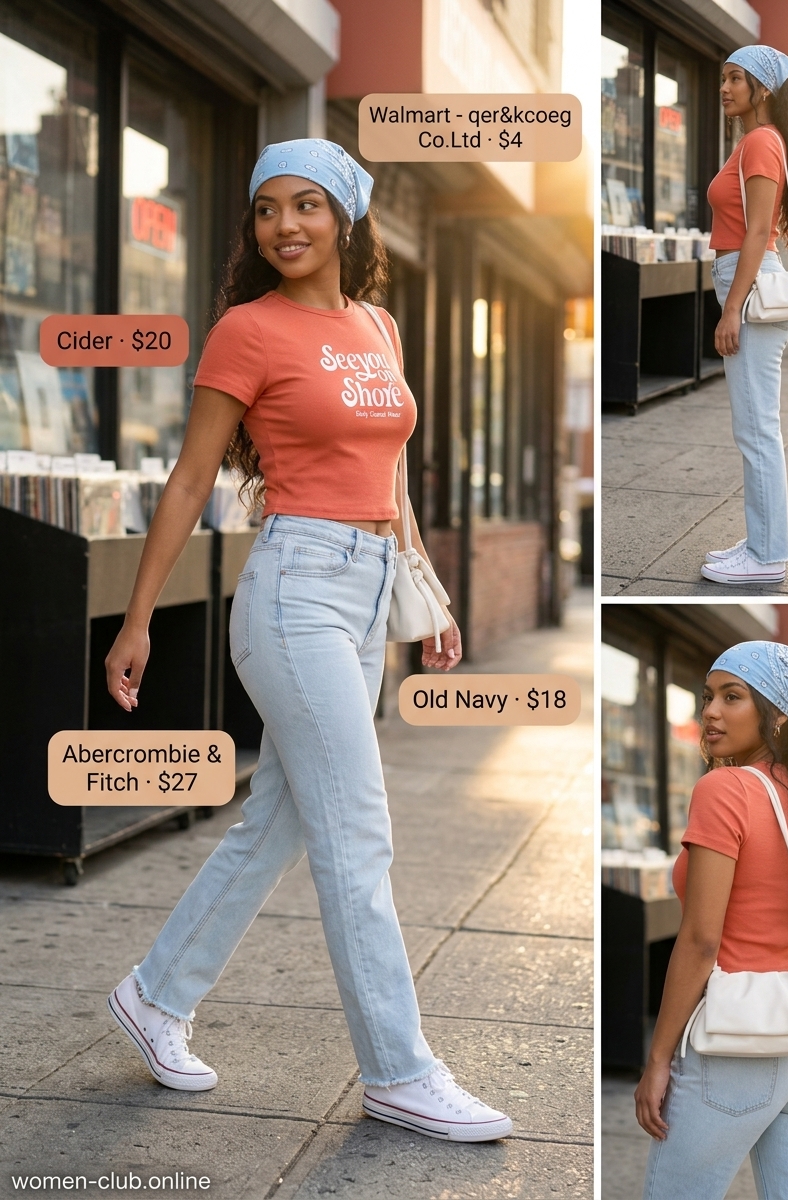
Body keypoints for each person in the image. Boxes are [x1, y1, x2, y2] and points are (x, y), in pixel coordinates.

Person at [102, 138, 513, 1143]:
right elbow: (193, 480)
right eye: (266, 210)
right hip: (294, 592)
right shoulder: (247, 331)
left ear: (346, 218)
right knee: (356, 829)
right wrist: (139, 617)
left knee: (283, 819)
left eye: (308, 206)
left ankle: (156, 996)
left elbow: (390, 475)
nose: (284, 225)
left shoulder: (377, 324)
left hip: (369, 587)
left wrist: (430, 592)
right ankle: (398, 1070)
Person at [634, 641, 788, 1198]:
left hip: (733, 1052)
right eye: (708, 696)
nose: (710, 711)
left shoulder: (726, 789)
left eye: (731, 697)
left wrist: (658, 1058)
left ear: (778, 714)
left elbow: (699, 942)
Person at [700, 47, 788, 586]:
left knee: (757, 430)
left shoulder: (761, 142)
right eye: (723, 78)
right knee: (754, 427)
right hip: (746, 281)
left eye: (735, 79)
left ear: (762, 89)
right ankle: (760, 541)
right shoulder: (754, 141)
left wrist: (731, 308)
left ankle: (767, 557)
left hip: (747, 286)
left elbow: (757, 231)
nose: (724, 88)